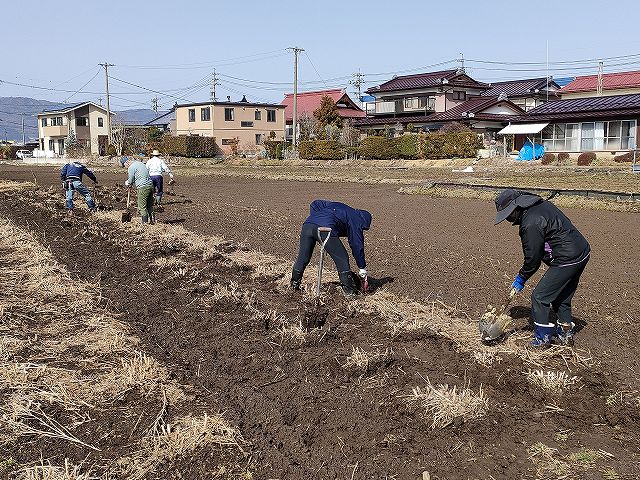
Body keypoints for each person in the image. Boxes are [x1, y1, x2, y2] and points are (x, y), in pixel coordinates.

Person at [495, 189, 590, 347]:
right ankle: (566, 335)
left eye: (508, 214)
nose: (508, 219)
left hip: (566, 259)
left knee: (539, 297)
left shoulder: (530, 223)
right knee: (562, 297)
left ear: (516, 208)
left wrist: (521, 278)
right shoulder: (540, 205)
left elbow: (533, 260)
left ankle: (542, 340)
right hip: (582, 252)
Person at [291, 200, 372, 296]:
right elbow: (356, 244)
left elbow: (315, 204)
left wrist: (317, 218)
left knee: (303, 257)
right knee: (342, 258)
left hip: (308, 225)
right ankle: (349, 293)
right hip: (326, 229)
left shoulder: (342, 207)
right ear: (364, 221)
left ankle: (293, 286)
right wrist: (362, 268)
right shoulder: (357, 219)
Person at [119, 156, 155, 224]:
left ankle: (145, 224)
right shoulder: (140, 163)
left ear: (126, 162)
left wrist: (127, 183)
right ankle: (153, 220)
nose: (125, 167)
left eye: (124, 166)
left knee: (142, 206)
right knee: (149, 205)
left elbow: (130, 180)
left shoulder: (131, 167)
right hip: (150, 186)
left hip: (143, 187)